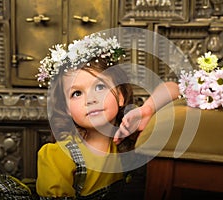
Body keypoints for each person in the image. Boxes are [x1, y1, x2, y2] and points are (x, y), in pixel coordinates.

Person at [35, 32, 180, 199]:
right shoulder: (59, 154)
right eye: (76, 93)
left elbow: (174, 88)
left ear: (120, 96)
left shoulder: (125, 138)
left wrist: (146, 109)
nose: (91, 99)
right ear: (66, 109)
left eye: (99, 87)